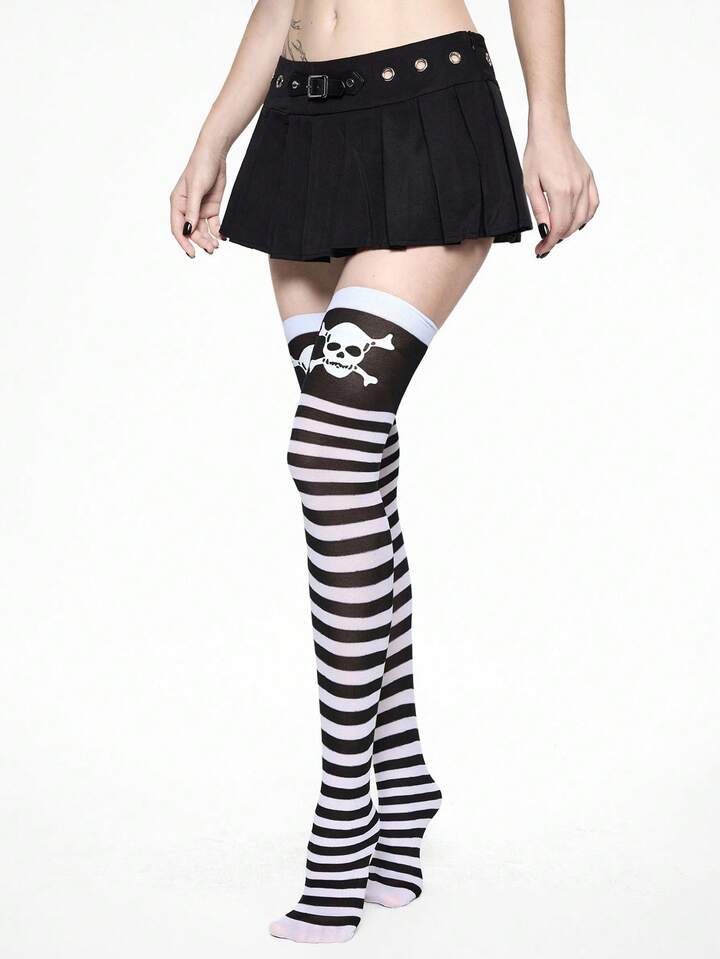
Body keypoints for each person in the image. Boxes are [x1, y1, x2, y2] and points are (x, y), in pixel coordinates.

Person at [170, 0, 598, 944]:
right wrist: (213, 137)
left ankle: (342, 811)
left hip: (423, 110)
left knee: (328, 450)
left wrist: (551, 119)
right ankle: (402, 780)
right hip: (300, 128)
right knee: (353, 472)